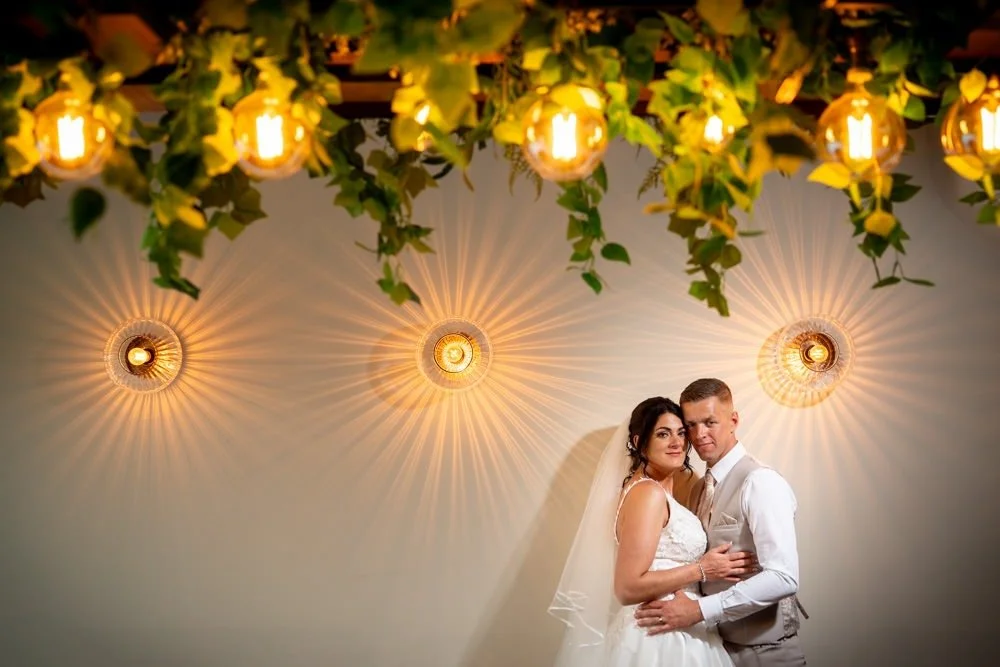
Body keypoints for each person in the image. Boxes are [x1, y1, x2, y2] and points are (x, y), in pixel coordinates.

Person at [549, 396, 757, 667]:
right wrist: (702, 569)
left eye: (681, 433)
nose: (677, 442)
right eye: (663, 434)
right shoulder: (648, 494)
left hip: (680, 627)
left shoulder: (662, 491)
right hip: (660, 637)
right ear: (638, 442)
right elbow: (627, 586)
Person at [634, 379, 807, 666]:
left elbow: (783, 577)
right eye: (691, 425)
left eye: (710, 422)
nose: (699, 434)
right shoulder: (699, 488)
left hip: (766, 652)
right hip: (714, 649)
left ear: (733, 420)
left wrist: (698, 610)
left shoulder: (760, 481)